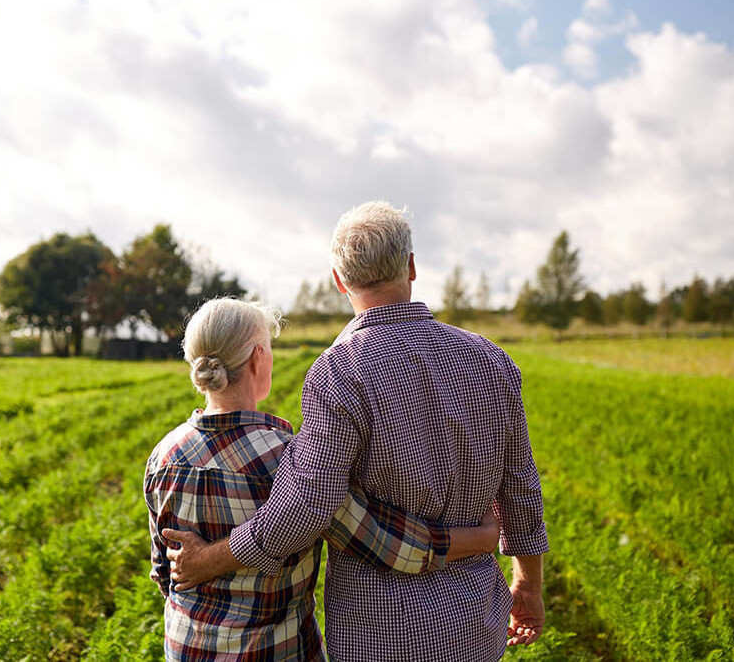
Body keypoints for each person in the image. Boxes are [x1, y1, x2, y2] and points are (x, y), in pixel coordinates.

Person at [166, 203, 550, 662]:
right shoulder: (492, 360)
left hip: (380, 632)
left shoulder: (338, 373)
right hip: (477, 623)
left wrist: (208, 560)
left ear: (338, 280)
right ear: (410, 266)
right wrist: (527, 583)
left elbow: (307, 508)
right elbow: (522, 488)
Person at [146, 297, 501, 662]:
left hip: (185, 649)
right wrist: (477, 538)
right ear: (257, 358)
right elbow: (384, 543)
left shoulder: (164, 456)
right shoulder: (291, 460)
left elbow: (164, 570)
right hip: (275, 652)